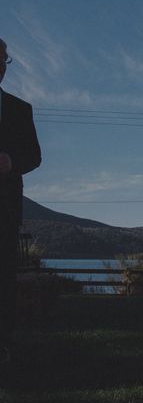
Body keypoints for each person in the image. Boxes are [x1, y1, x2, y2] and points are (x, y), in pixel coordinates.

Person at [0, 38, 42, 365]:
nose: (0, 64)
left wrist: (12, 162)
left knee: (4, 276)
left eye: (3, 59)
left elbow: (35, 156)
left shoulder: (20, 109)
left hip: (5, 208)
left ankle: (3, 343)